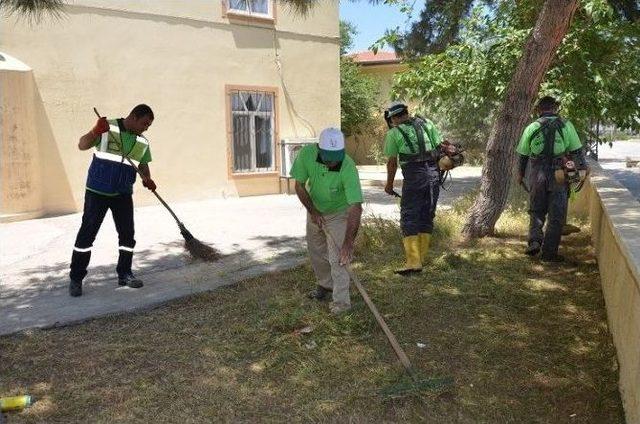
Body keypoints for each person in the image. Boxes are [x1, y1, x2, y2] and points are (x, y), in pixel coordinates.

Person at [69, 104, 157, 297]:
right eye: (144, 123)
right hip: (97, 192)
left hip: (123, 194)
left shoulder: (142, 142)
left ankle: (125, 274)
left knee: (127, 236)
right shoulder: (107, 127)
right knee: (87, 235)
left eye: (148, 126)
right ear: (133, 117)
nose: (146, 128)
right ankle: (76, 278)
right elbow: (82, 144)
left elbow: (142, 164)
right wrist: (95, 131)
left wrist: (147, 179)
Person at [290, 128, 363, 314]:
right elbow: (298, 185)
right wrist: (313, 211)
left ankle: (341, 303)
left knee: (339, 257)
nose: (332, 162)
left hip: (339, 212)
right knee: (316, 251)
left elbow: (355, 207)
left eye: (336, 157)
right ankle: (325, 285)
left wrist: (348, 243)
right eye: (328, 157)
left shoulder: (347, 165)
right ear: (319, 150)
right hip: (314, 209)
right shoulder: (307, 155)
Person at [383, 102, 453, 275]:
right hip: (433, 174)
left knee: (409, 215)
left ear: (394, 118)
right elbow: (440, 147)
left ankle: (413, 263)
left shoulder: (394, 133)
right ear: (406, 113)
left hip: (414, 176)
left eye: (392, 119)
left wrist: (389, 184)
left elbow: (392, 162)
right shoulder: (427, 123)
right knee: (427, 214)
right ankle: (420, 259)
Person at [516, 96, 587, 262]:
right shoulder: (566, 125)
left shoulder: (531, 127)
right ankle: (549, 254)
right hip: (559, 173)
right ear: (555, 109)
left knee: (536, 208)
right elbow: (576, 151)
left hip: (536, 171)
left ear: (539, 110)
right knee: (557, 213)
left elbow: (523, 155)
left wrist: (520, 174)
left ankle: (534, 241)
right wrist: (582, 170)